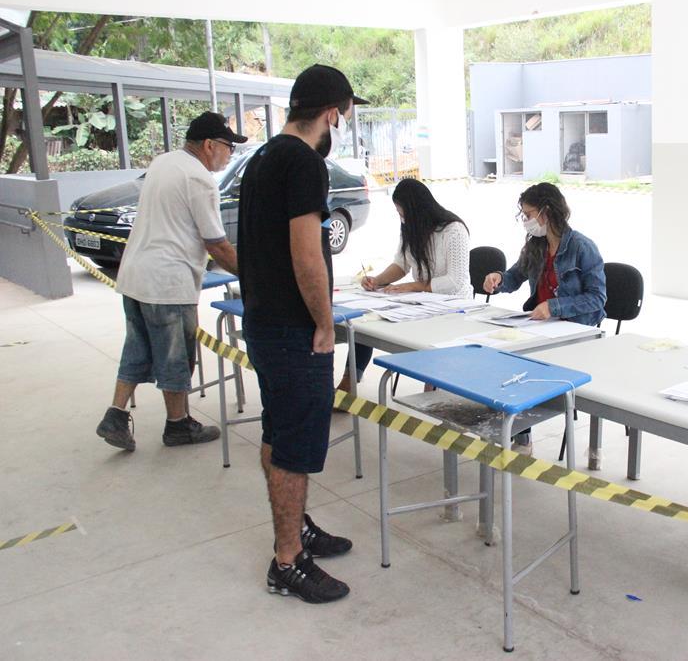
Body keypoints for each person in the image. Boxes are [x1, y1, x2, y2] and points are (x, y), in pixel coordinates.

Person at [238, 64, 367, 604]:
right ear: (333, 112)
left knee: (277, 433)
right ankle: (287, 561)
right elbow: (306, 253)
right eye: (345, 112)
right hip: (293, 330)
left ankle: (299, 528)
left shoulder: (264, 156)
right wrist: (323, 323)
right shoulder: (307, 163)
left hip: (264, 321)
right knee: (294, 446)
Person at [94, 112, 243, 452]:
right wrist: (253, 277)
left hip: (134, 276)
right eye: (227, 146)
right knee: (176, 357)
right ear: (208, 145)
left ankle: (115, 415)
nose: (229, 154)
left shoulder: (164, 162)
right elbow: (216, 243)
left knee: (137, 348)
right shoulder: (200, 179)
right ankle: (178, 425)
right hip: (167, 282)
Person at [482, 182, 607, 454]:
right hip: (540, 328)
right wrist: (498, 279)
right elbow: (514, 276)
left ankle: (520, 431)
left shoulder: (582, 248)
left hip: (575, 332)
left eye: (529, 215)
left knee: (521, 365)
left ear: (546, 212)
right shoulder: (535, 246)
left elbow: (597, 299)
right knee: (499, 357)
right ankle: (520, 434)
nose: (526, 221)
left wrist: (555, 307)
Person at [336, 178, 471, 394]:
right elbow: (401, 264)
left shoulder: (453, 231)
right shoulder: (411, 229)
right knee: (366, 321)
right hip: (420, 304)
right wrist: (377, 280)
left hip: (453, 308)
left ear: (418, 209)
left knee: (427, 341)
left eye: (403, 212)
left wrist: (415, 286)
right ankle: (348, 381)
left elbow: (455, 282)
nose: (402, 218)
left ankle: (434, 387)